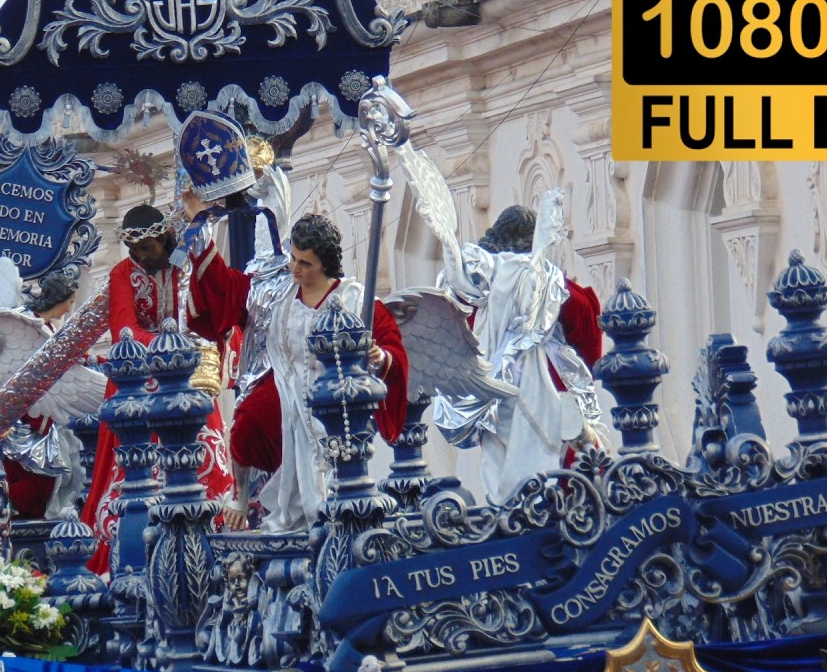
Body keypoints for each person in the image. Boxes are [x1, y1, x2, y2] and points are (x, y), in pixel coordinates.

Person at [188, 214, 409, 533]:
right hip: (292, 406)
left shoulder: (352, 298)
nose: (295, 268)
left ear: (324, 264)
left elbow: (391, 346)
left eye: (305, 263)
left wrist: (380, 356)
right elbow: (227, 294)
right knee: (251, 429)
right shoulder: (282, 302)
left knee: (338, 487)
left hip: (339, 410)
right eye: (293, 258)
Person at [79, 203, 234, 573]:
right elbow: (124, 332)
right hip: (139, 384)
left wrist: (205, 344)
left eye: (148, 248)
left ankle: (213, 532)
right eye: (136, 251)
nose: (142, 257)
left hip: (189, 378)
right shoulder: (121, 274)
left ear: (165, 239)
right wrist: (172, 347)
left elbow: (215, 314)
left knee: (206, 455)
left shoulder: (186, 264)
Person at [435, 196, 605, 504]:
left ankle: (514, 507)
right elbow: (588, 337)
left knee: (530, 454)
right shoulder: (544, 283)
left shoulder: (525, 283)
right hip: (514, 385)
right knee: (536, 454)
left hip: (519, 383)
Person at [3, 266, 91, 519]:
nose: (70, 308)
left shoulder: (51, 329)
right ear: (60, 299)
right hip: (29, 418)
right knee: (39, 478)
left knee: (66, 473)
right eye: (70, 302)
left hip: (49, 417)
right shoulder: (28, 325)